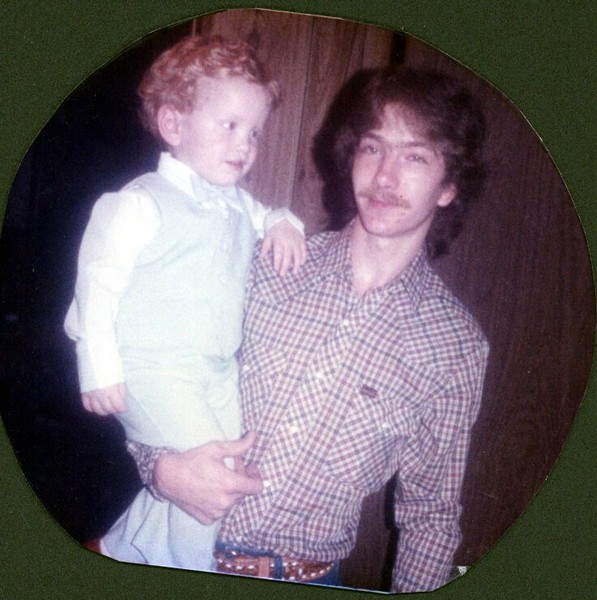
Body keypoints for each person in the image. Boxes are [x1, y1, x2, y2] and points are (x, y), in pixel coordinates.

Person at [127, 66, 489, 593]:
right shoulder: (263, 263)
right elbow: (154, 362)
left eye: (414, 156)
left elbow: (431, 516)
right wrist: (160, 470)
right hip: (170, 552)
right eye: (372, 148)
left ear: (449, 186)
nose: (384, 176)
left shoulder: (454, 346)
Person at [64, 35, 306, 571]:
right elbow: (97, 284)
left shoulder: (238, 204)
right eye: (229, 125)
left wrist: (285, 222)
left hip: (216, 370)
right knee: (215, 482)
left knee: (218, 460)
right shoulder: (139, 202)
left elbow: (270, 217)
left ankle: (119, 549)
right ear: (174, 125)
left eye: (254, 131)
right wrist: (97, 364)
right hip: (151, 369)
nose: (245, 144)